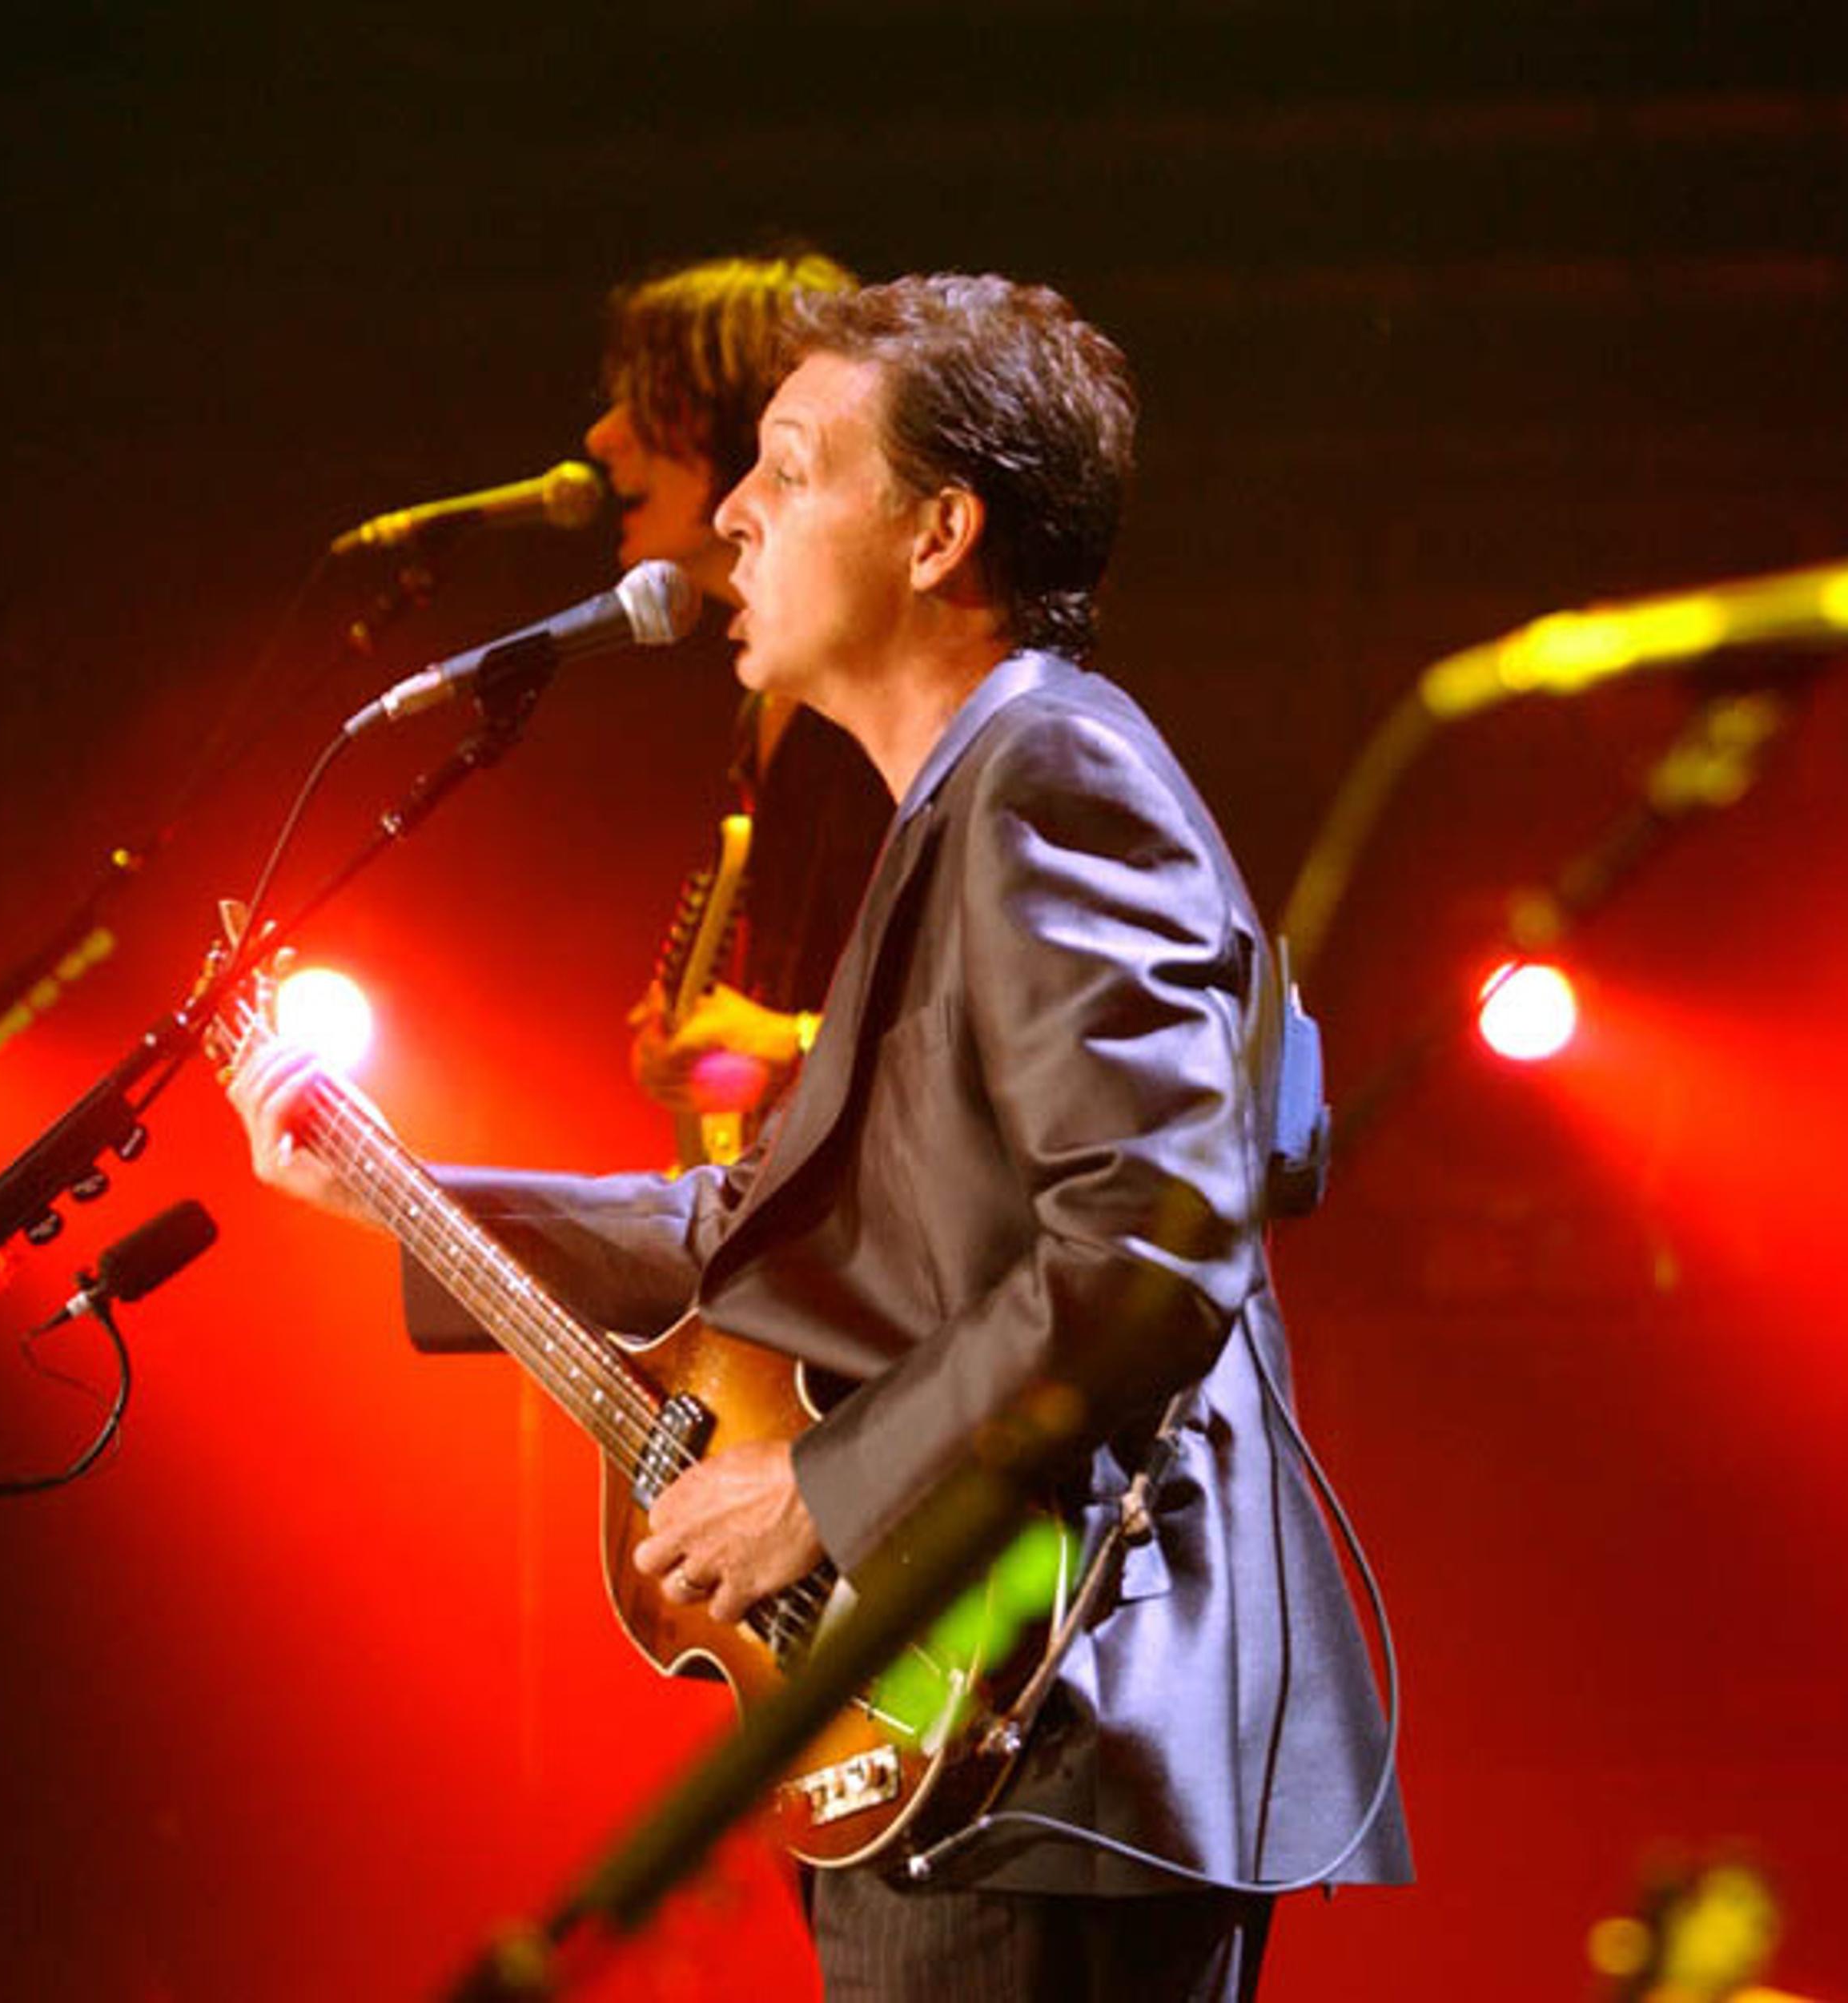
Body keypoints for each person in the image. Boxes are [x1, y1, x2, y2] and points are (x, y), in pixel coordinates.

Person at [231, 273, 1408, 1998]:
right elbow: (787, 1227)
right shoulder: (970, 798)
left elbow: (1154, 1238)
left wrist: (821, 1487)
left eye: (790, 466)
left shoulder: (1047, 780)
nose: (729, 515)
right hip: (979, 1747)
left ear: (939, 533)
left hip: (1051, 1725)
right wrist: (399, 1190)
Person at [581, 252, 890, 1156]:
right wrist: (707, 1046)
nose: (604, 438)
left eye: (652, 401)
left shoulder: (891, 689)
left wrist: (792, 1045)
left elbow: (1001, 1015)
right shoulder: (769, 702)